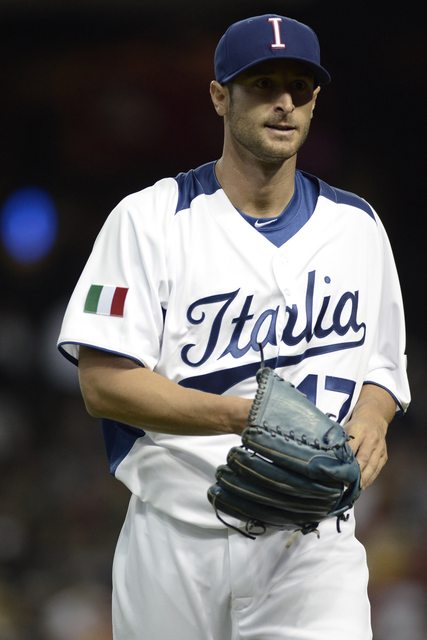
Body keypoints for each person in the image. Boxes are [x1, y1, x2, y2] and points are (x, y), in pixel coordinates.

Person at [57, 13, 411, 640]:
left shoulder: (358, 226)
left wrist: (375, 417)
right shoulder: (148, 220)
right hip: (176, 543)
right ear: (220, 96)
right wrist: (239, 416)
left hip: (313, 546)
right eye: (262, 84)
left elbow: (383, 367)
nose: (284, 102)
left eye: (299, 87)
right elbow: (103, 383)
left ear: (315, 100)